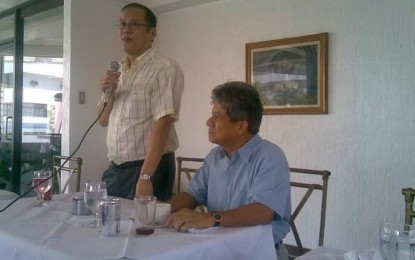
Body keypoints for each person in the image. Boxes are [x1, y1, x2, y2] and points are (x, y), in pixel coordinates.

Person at [166, 81, 291, 260]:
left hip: (258, 252)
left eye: (216, 117)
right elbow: (193, 195)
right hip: (216, 248)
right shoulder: (215, 157)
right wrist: (157, 210)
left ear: (241, 126)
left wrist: (212, 218)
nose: (208, 122)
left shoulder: (270, 156)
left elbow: (263, 212)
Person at [97, 3, 184, 201]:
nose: (126, 30)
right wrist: (108, 93)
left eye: (134, 24)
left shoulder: (164, 68)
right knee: (108, 227)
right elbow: (102, 120)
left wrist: (146, 177)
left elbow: (163, 125)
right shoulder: (117, 69)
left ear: (152, 33)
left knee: (143, 229)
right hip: (116, 168)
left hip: (149, 168)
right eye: (122, 24)